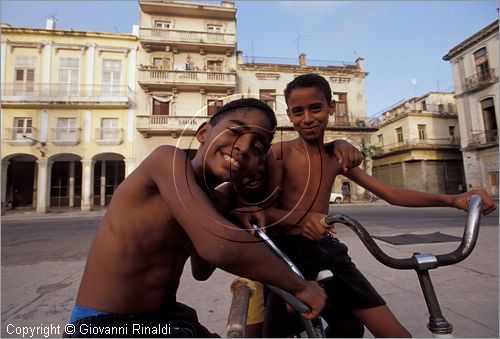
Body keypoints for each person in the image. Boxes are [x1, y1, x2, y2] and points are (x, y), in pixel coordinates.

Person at [64, 98, 327, 338]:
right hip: (104, 325)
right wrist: (300, 286)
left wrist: (232, 210)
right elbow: (218, 248)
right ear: (203, 133)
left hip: (162, 319)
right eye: (235, 131)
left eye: (257, 148)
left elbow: (201, 270)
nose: (243, 147)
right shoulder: (167, 160)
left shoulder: (213, 200)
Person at [262, 73, 497, 338]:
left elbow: (390, 193)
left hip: (327, 250)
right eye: (298, 111)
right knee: (276, 331)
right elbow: (260, 213)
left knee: (367, 330)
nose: (307, 118)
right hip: (287, 257)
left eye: (315, 108)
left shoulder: (335, 157)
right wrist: (302, 220)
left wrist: (453, 200)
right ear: (289, 115)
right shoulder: (279, 153)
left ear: (331, 107)